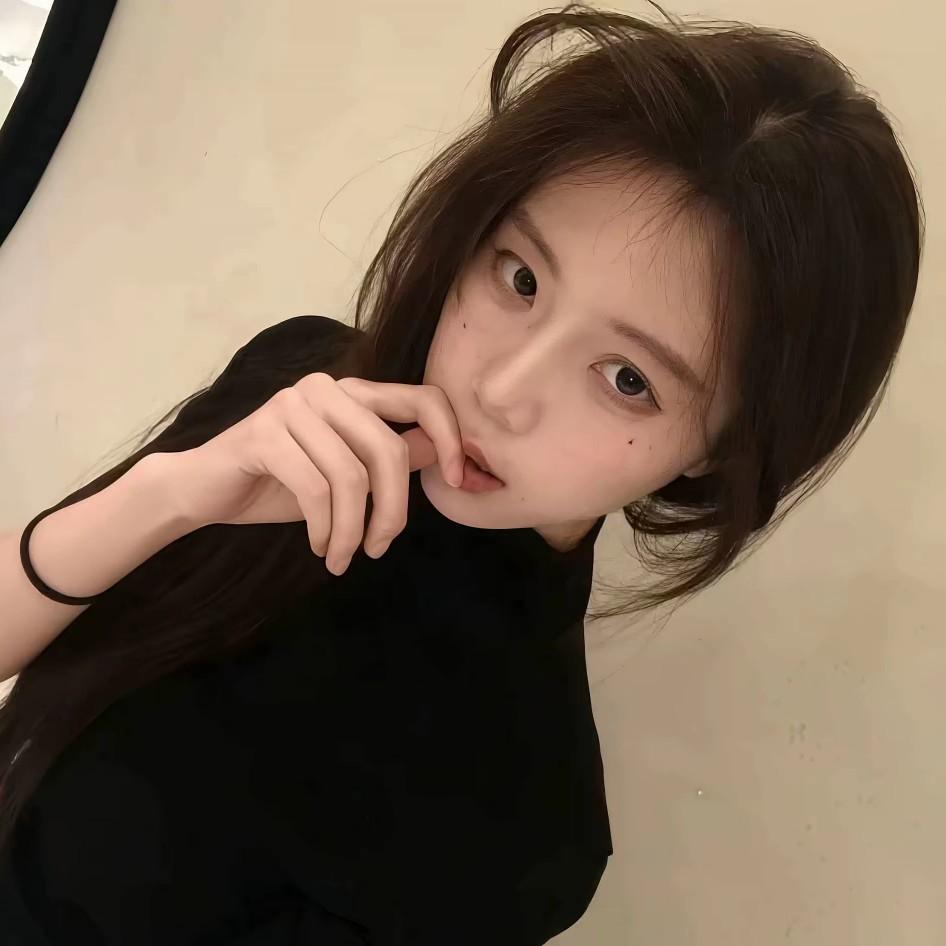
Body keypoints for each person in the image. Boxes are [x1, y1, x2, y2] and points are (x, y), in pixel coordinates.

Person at [0, 3, 923, 943]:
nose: (501, 391)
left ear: (716, 451)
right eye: (521, 279)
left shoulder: (523, 834)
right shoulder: (298, 391)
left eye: (627, 379)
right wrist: (163, 500)